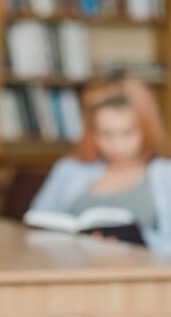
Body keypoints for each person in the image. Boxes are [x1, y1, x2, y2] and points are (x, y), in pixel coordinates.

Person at [28, 72, 171, 251]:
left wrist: (140, 240)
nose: (117, 145)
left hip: (141, 273)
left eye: (127, 133)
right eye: (106, 134)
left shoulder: (165, 174)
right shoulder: (69, 169)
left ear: (146, 129)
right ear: (91, 133)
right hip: (74, 268)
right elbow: (36, 222)